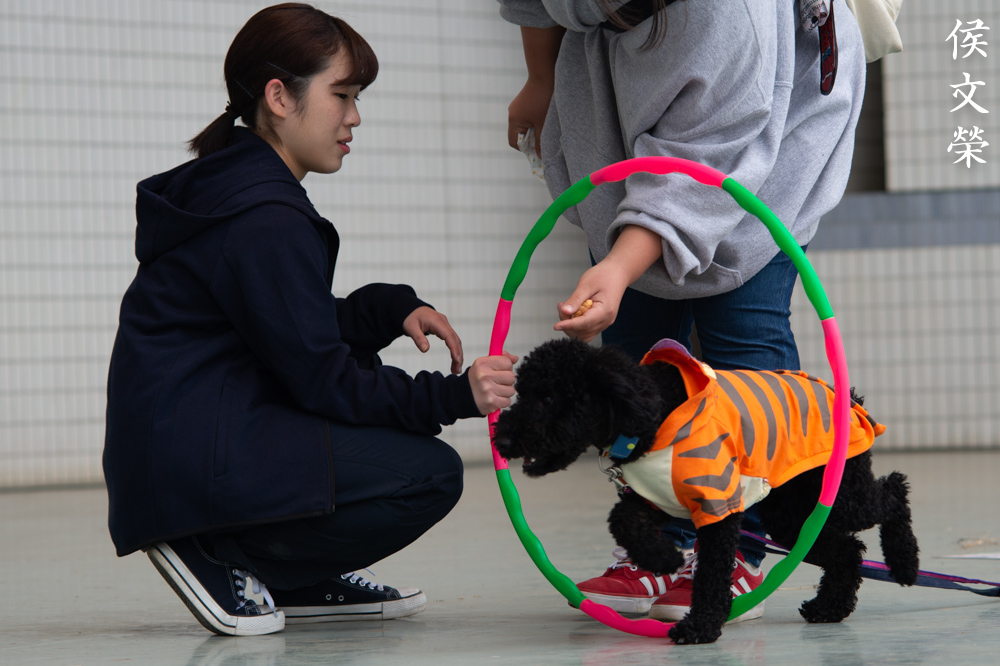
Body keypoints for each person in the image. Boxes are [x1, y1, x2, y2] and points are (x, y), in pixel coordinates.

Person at [103, 3, 517, 636]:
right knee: (426, 475)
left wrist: (389, 308)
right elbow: (321, 376)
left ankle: (293, 577)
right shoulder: (263, 216)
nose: (354, 117)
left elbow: (288, 326)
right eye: (341, 95)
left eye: (357, 98)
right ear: (279, 97)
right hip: (193, 457)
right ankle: (218, 550)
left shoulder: (237, 188)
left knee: (376, 413)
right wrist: (456, 396)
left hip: (187, 437)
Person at [499, 0, 865, 622]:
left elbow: (706, 165)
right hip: (618, 101)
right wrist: (540, 79)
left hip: (765, 133)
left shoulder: (734, 18)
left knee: (744, 338)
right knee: (636, 361)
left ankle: (739, 544)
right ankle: (657, 544)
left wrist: (619, 267)